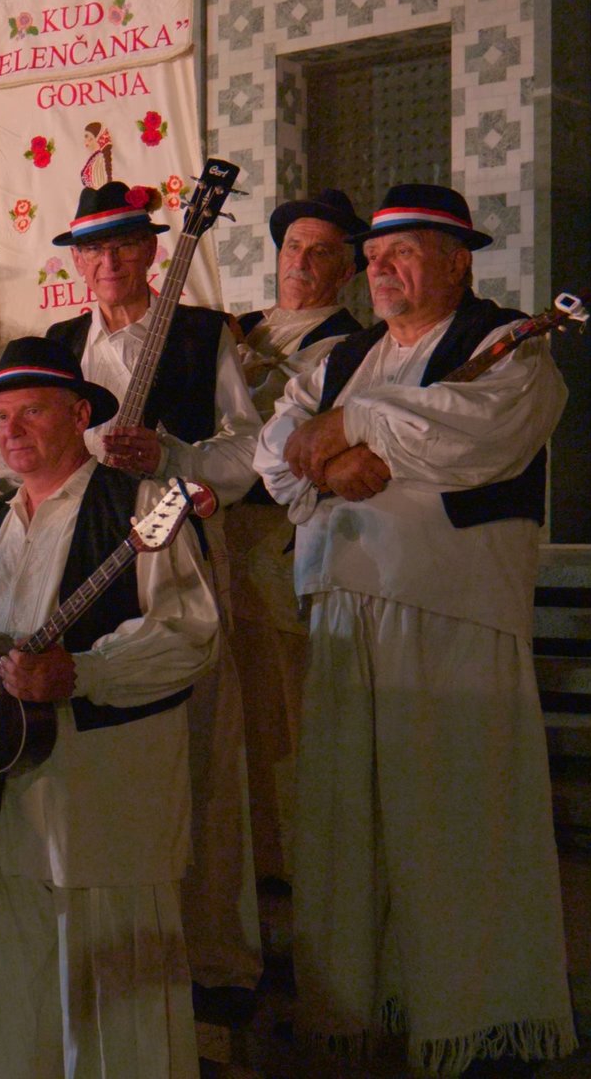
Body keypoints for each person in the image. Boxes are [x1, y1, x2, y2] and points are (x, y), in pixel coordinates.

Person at [254, 183, 575, 1076]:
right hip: (342, 616)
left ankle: (476, 1027)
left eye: (405, 249)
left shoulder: (506, 345)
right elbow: (273, 458)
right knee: (344, 829)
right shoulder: (342, 355)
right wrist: (328, 450)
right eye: (374, 253)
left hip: (452, 613)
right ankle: (367, 1012)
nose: (380, 266)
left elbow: (479, 434)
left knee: (454, 825)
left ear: (459, 257)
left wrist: (348, 431)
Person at [0, 337, 220, 1079]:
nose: (10, 430)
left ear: (80, 413)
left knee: (119, 1012)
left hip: (103, 803)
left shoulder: (140, 506)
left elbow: (190, 635)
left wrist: (80, 672)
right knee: (6, 996)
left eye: (32, 412)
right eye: (2, 416)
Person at [45, 180, 267, 1002]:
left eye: (120, 246)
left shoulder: (203, 333)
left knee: (204, 745)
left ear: (150, 253)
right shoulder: (59, 343)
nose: (105, 262)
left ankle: (213, 956)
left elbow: (249, 454)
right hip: (83, 562)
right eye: (90, 250)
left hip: (178, 551)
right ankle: (113, 944)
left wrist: (174, 456)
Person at [226, 189, 365, 887]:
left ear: (346, 270)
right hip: (211, 540)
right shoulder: (239, 328)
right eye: (291, 248)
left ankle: (289, 870)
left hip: (275, 539)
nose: (301, 263)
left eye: (320, 252)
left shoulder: (351, 346)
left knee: (281, 707)